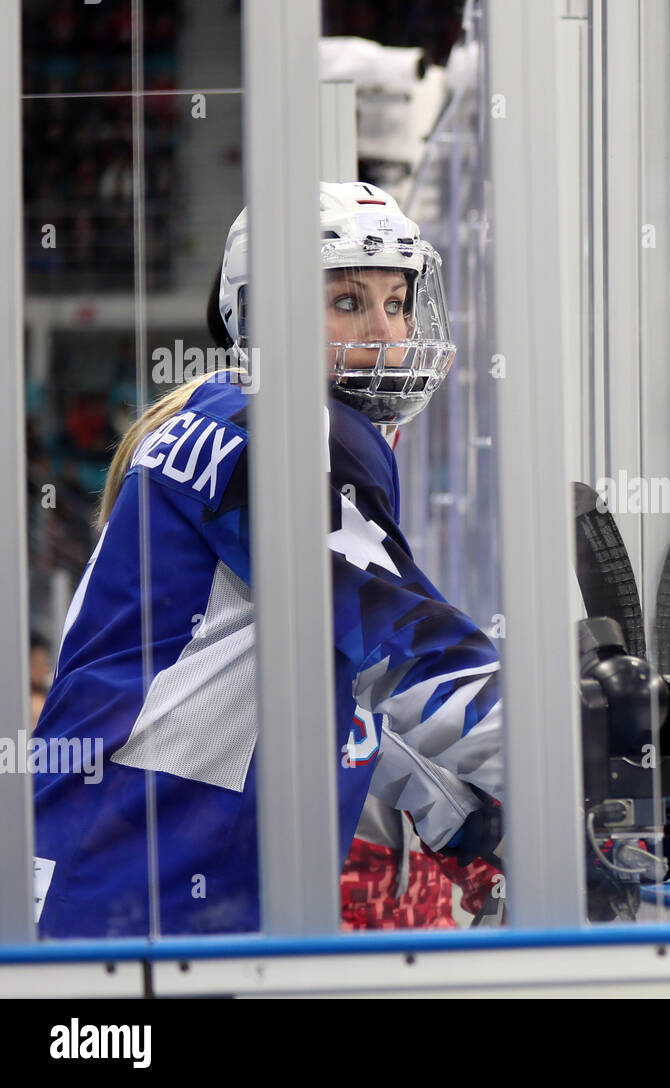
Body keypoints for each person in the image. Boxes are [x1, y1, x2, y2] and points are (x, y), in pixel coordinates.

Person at [33, 182, 504, 937]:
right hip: (136, 888)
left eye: (397, 301)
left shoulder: (223, 416)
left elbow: (311, 691)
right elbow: (411, 651)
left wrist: (453, 809)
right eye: (348, 302)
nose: (386, 333)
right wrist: (581, 765)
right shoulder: (280, 432)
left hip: (118, 865)